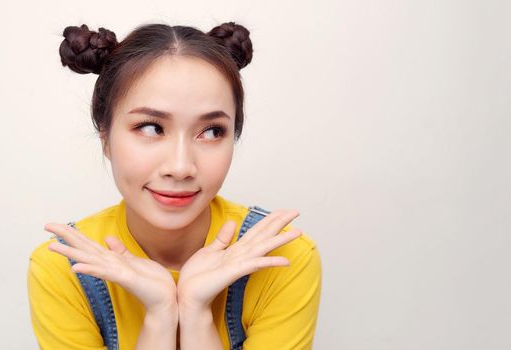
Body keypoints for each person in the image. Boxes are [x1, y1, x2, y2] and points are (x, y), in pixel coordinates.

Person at [27, 21, 322, 350]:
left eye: (211, 131)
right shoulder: (64, 269)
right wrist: (160, 315)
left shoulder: (281, 258)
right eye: (151, 127)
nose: (181, 167)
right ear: (106, 138)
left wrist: (196, 313)